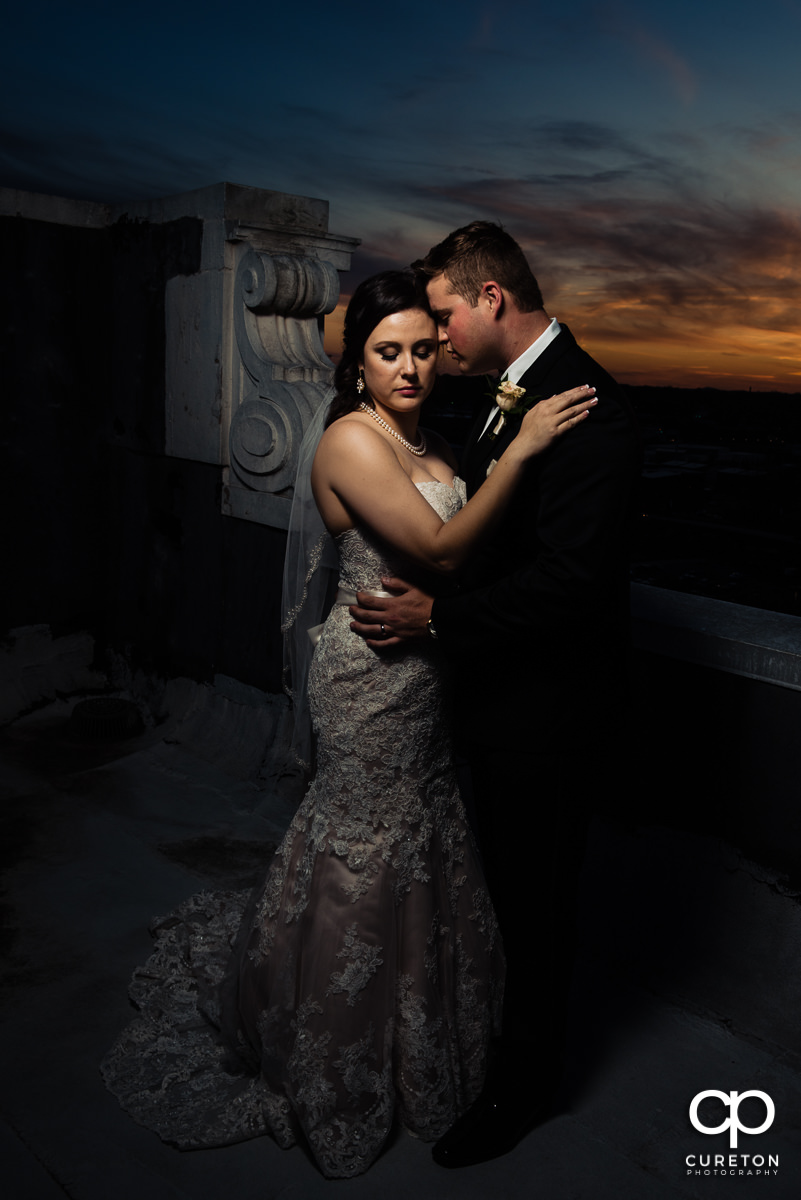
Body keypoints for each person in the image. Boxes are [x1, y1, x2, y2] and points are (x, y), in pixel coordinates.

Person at [101, 270, 596, 1179]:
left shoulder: (433, 442)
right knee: (362, 850)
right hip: (371, 675)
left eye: (420, 347)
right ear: (354, 361)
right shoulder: (348, 442)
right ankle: (337, 1049)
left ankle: (421, 1032)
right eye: (385, 351)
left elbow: (472, 559)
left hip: (433, 675)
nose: (408, 367)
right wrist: (522, 451)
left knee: (426, 840)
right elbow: (446, 547)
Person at [349, 225, 642, 1168]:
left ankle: (523, 1093)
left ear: (489, 300)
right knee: (503, 899)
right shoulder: (499, 398)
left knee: (536, 910)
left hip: (545, 719)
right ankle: (494, 1055)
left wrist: (437, 622)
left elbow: (570, 585)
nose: (433, 343)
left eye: (441, 318)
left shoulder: (587, 405)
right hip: (492, 703)